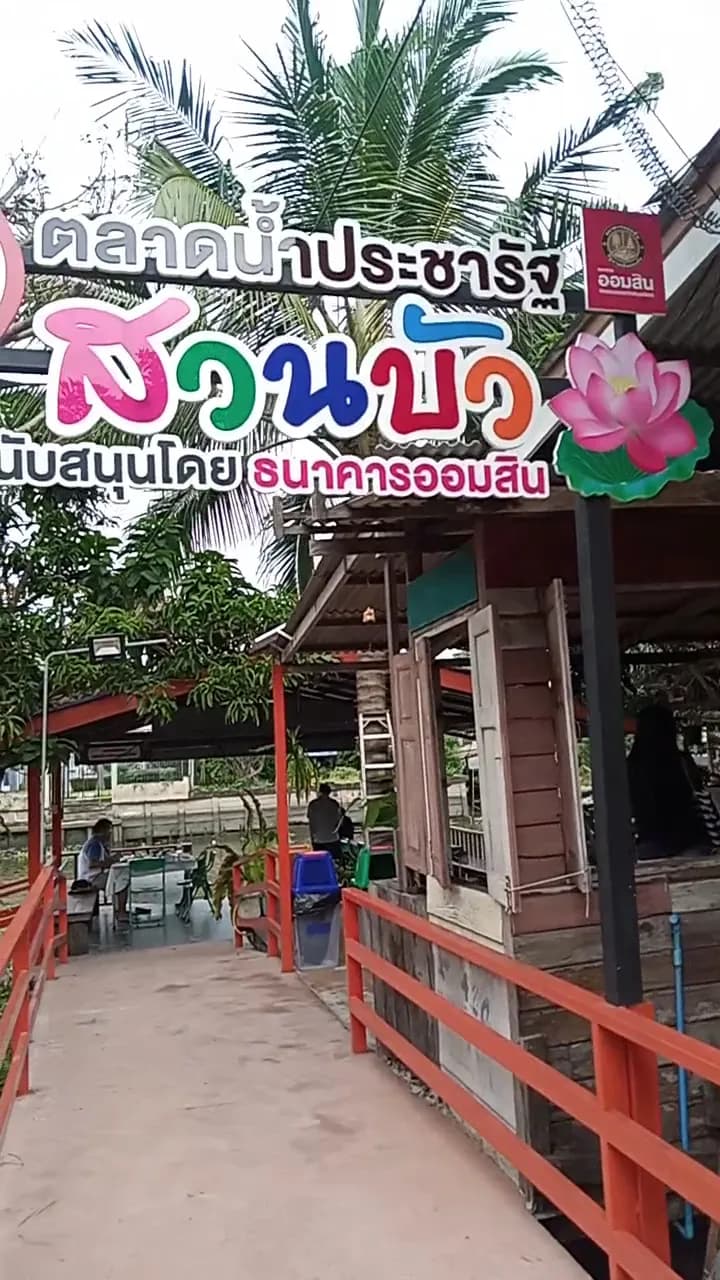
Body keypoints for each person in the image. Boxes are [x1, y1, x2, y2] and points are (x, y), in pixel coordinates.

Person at [627, 704, 712, 860]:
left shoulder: (633, 765)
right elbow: (699, 792)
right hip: (692, 840)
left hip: (652, 843)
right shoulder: (682, 761)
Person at [77, 819, 129, 917]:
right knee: (121, 880)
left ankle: (118, 909)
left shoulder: (97, 843)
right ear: (103, 831)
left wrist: (112, 858)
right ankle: (121, 911)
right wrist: (111, 861)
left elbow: (103, 859)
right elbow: (93, 863)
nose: (110, 833)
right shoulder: (94, 844)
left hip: (92, 877)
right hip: (90, 879)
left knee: (118, 878)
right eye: (109, 830)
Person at [307, 783, 343, 859]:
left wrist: (312, 839)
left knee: (320, 861)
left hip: (318, 839)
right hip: (333, 838)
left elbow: (312, 823)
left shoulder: (313, 805)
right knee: (335, 861)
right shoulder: (335, 804)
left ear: (319, 792)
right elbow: (339, 821)